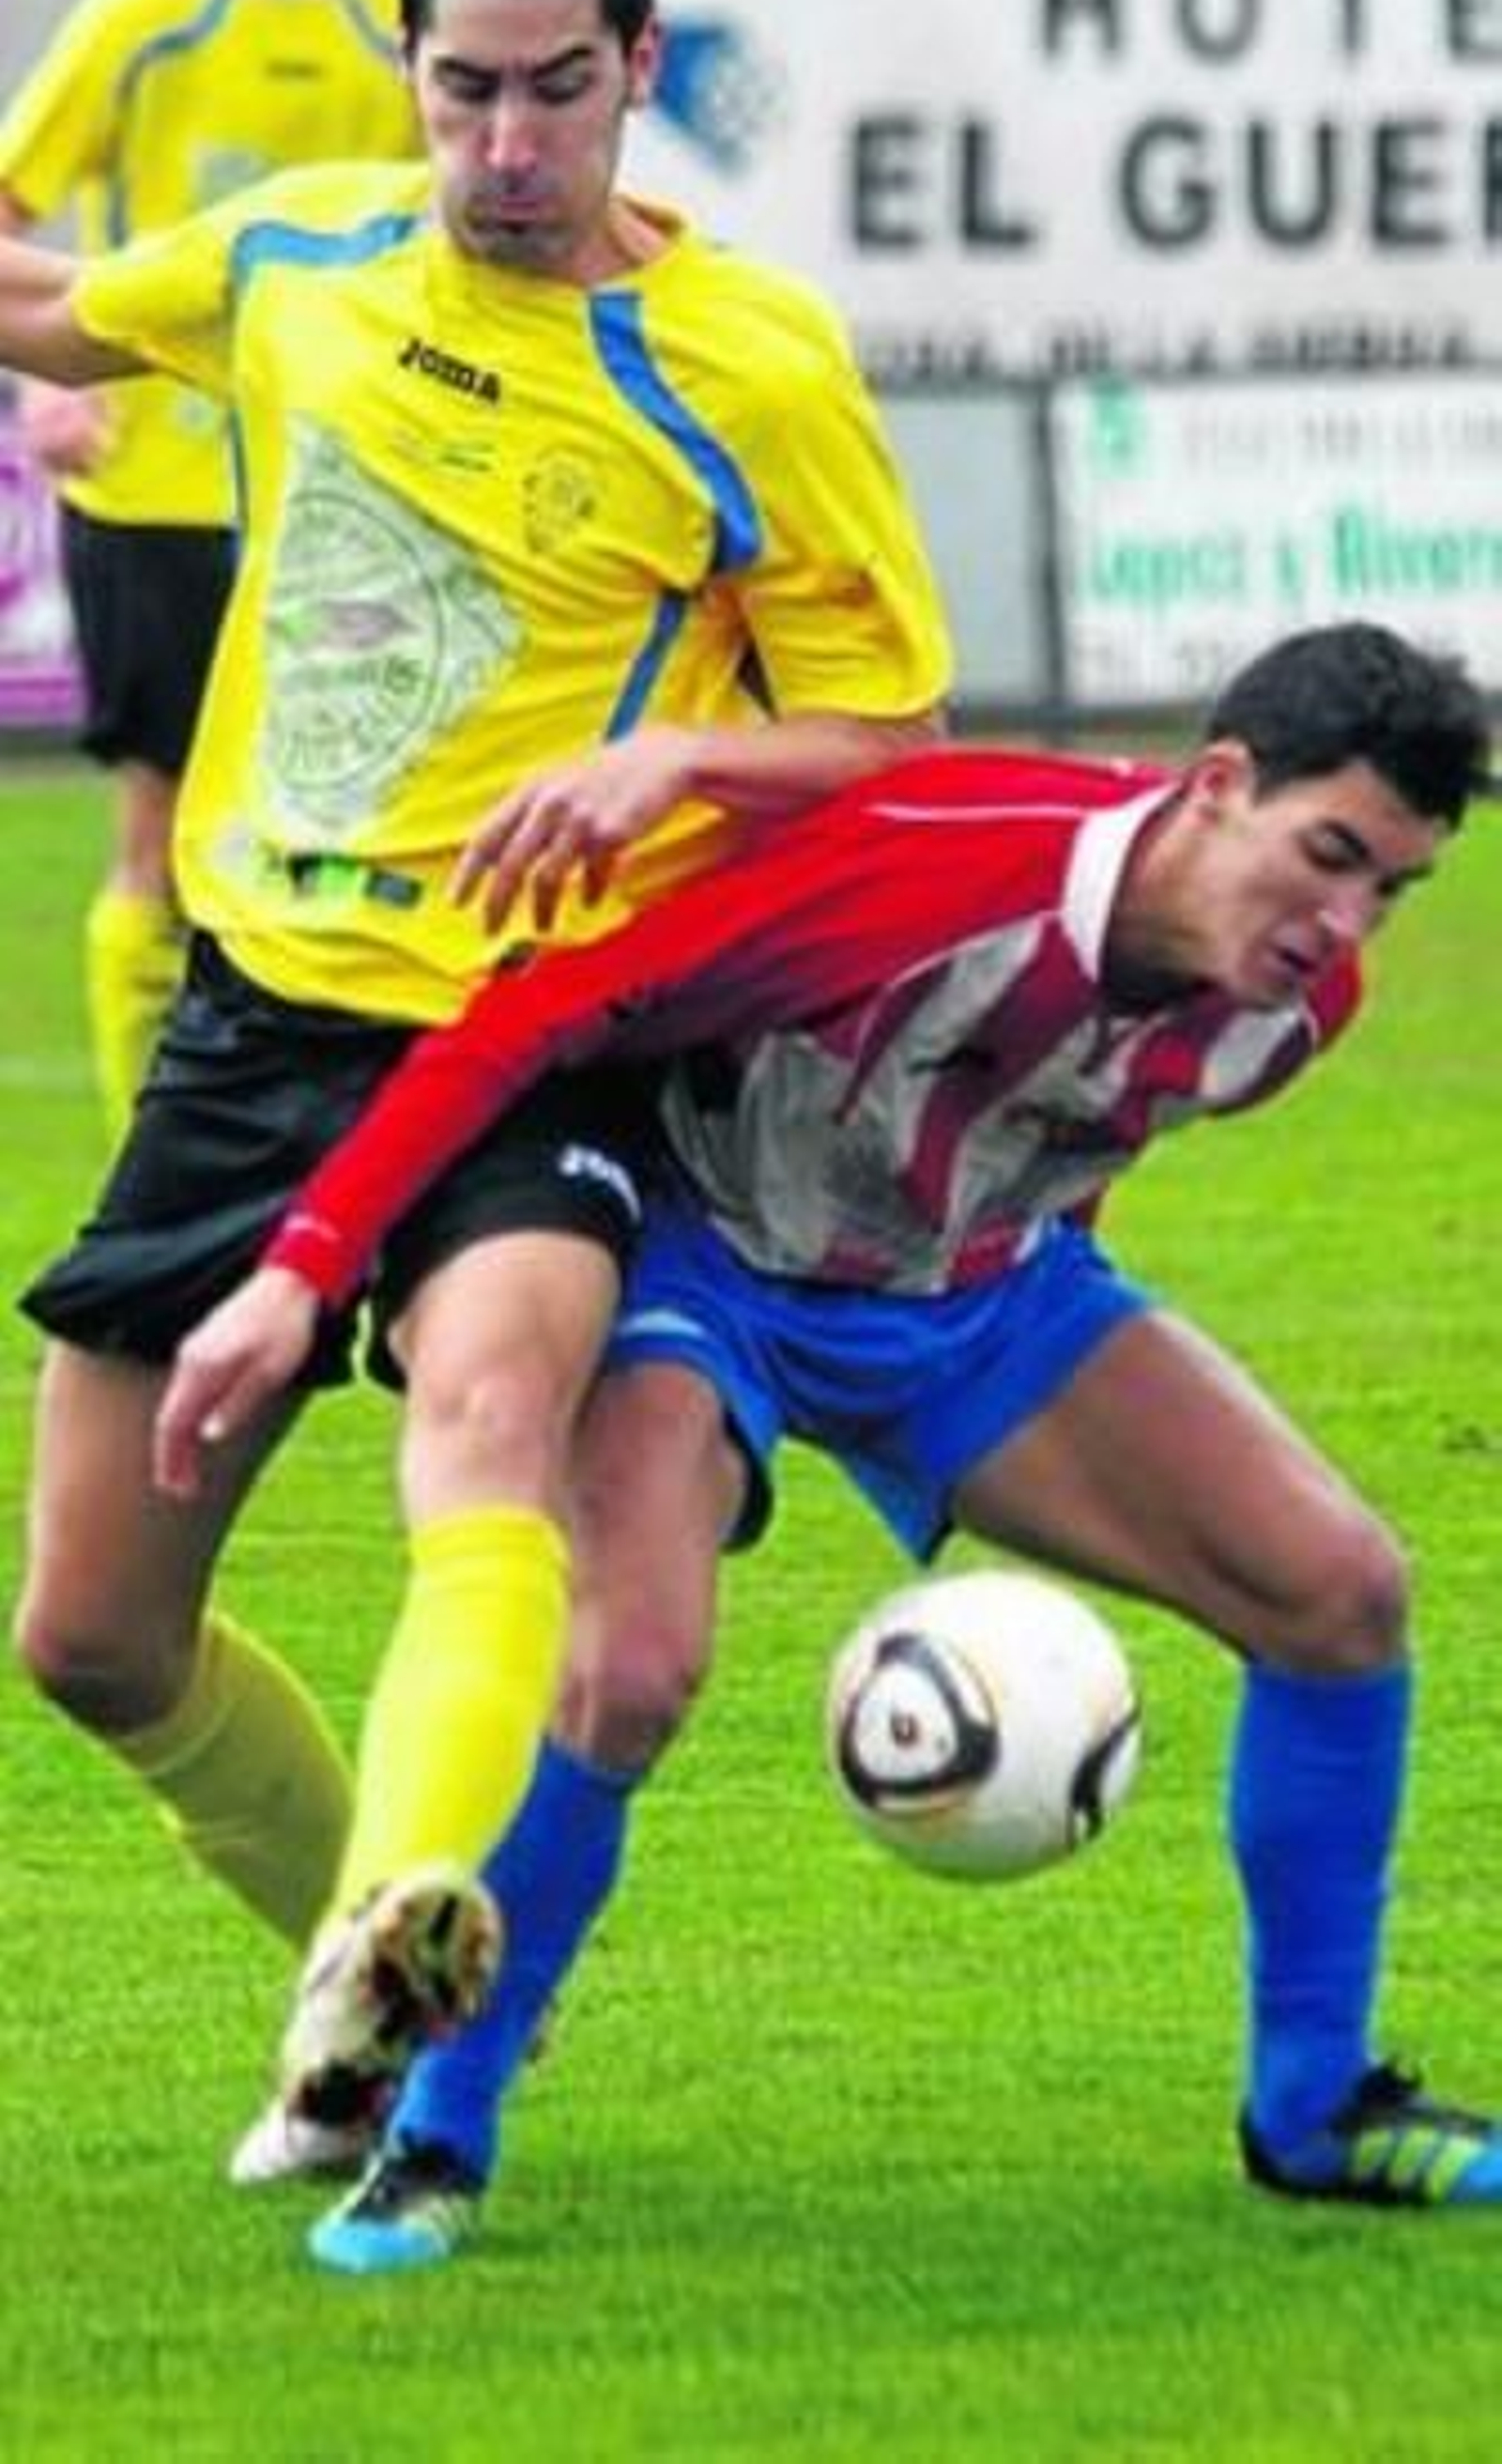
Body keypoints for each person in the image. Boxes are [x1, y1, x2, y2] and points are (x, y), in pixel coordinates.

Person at [153, 622, 1502, 2274]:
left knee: (1343, 1592)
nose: (1346, 923)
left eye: (1395, 888)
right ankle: (431, 2138)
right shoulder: (940, 867)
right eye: (1332, 857)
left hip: (976, 1298)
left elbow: (1065, 1136)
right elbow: (541, 1018)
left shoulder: (1295, 1007)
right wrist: (305, 1269)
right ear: (1217, 787)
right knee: (629, 1670)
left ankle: (1315, 2110)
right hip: (707, 1265)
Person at [7, 0, 950, 2180]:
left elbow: (890, 739)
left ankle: (409, 1962)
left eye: (554, 93)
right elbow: (60, 307)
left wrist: (672, 755)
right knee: (91, 1636)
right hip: (252, 1022)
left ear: (640, 70)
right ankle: (358, 1962)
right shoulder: (305, 254)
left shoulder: (748, 364)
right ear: (410, 77)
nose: (503, 153)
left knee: (488, 1422)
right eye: (461, 95)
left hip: (535, 1036)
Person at [0, 0, 416, 1143]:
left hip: (330, 505)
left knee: (334, 854)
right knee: (159, 842)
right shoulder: (151, 8)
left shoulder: (391, 25)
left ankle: (312, 1148)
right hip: (158, 495)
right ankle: (151, 1159)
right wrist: (31, 395)